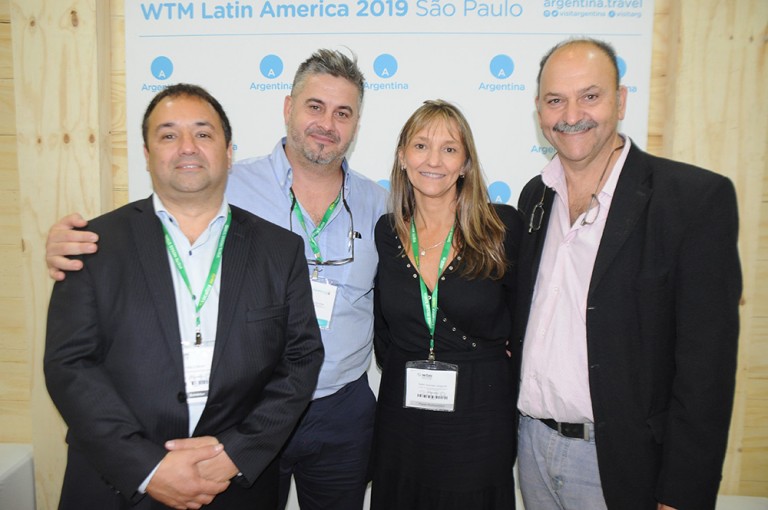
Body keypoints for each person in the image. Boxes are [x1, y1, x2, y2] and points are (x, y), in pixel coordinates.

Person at [45, 49, 388, 510]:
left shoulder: (381, 204)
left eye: (342, 112)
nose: (327, 123)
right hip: (245, 412)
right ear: (288, 107)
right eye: (315, 106)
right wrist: (68, 243)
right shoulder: (222, 181)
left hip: (341, 409)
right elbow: (141, 237)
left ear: (356, 123)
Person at [515, 38, 742, 510]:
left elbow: (706, 371)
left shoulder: (692, 201)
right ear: (539, 111)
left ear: (620, 101)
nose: (571, 114)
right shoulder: (536, 196)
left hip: (624, 464)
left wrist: (682, 492)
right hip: (532, 448)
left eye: (589, 96)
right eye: (555, 100)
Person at [371, 99, 522, 509]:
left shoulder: (501, 228)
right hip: (403, 414)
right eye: (421, 146)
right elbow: (383, 328)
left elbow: (524, 318)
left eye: (449, 149)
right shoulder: (387, 232)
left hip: (479, 412)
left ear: (465, 163)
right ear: (402, 157)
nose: (433, 160)